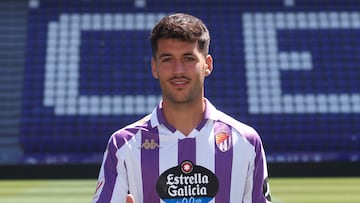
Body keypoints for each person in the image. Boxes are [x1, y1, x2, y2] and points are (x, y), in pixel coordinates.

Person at [92, 13, 272, 203]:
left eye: (188, 58)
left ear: (207, 65)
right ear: (154, 67)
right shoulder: (124, 145)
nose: (178, 70)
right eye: (168, 59)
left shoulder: (246, 142)